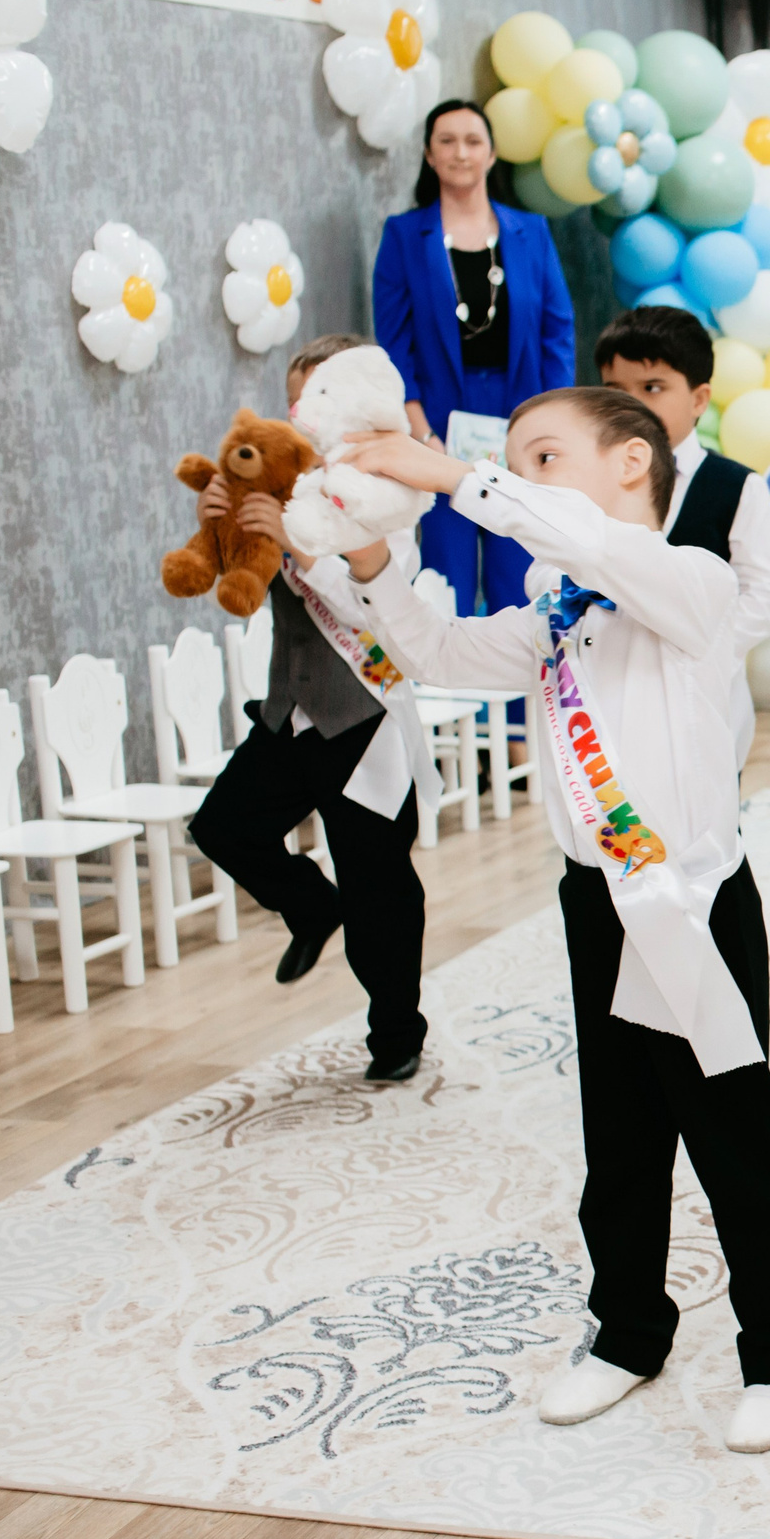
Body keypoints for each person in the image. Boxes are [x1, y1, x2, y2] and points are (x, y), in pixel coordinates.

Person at [324, 387, 770, 1455]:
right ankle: (627, 1329)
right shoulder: (559, 612)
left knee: (733, 1136)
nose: (523, 478)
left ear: (633, 462)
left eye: (544, 457)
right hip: (595, 897)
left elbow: (585, 540)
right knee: (620, 1134)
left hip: (689, 901)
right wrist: (371, 558)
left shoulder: (690, 581)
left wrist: (453, 475)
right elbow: (440, 654)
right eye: (515, 463)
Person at [188, 332, 439, 1084]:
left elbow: (381, 608)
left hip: (362, 717)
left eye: (319, 396)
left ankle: (396, 1033)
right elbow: (238, 580)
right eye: (296, 398)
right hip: (288, 708)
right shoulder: (277, 475)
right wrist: (220, 523)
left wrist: (298, 548)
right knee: (223, 827)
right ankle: (308, 905)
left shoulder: (392, 485)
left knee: (378, 889)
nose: (303, 413)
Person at [372, 98, 576, 706]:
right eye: (447, 141)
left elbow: (558, 333)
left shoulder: (531, 232)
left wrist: (545, 433)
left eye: (472, 140)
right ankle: (459, 725)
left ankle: (518, 728)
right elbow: (394, 345)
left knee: (521, 575)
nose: (460, 152)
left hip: (519, 415)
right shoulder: (404, 235)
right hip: (437, 424)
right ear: (429, 154)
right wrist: (421, 434)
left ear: (491, 153)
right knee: (447, 576)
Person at [594, 305, 770, 770]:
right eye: (615, 391)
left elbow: (769, 590)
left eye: (652, 388)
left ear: (699, 399)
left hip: (703, 700)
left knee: (703, 800)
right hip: (608, 695)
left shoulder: (735, 486)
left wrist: (709, 645)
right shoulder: (590, 484)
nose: (631, 406)